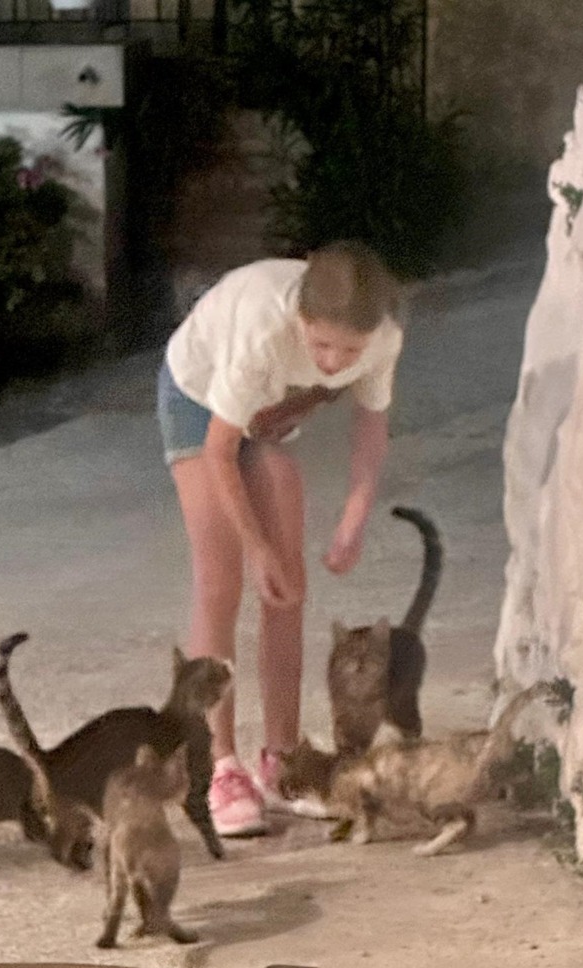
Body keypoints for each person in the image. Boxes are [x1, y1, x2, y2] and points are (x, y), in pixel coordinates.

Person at [157, 239, 405, 838]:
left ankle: (283, 760)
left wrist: (353, 519)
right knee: (222, 579)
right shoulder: (262, 331)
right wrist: (256, 547)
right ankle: (217, 767)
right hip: (199, 397)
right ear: (300, 320)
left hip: (267, 402)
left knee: (288, 585)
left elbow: (371, 425)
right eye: (321, 345)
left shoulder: (383, 337)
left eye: (350, 351)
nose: (333, 362)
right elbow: (220, 450)